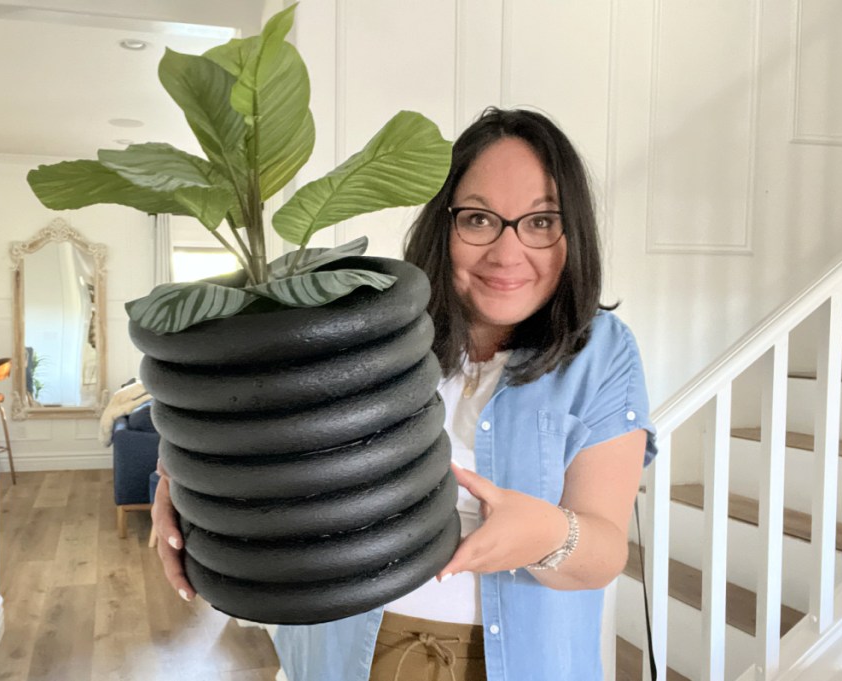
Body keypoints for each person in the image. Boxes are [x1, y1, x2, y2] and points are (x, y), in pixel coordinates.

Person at [151, 107, 657, 681]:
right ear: (444, 224)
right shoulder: (367, 325)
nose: (508, 253)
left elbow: (605, 551)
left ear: (574, 233)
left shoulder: (602, 353)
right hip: (345, 656)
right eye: (479, 219)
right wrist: (192, 489)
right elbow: (265, 429)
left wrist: (545, 535)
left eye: (542, 222)